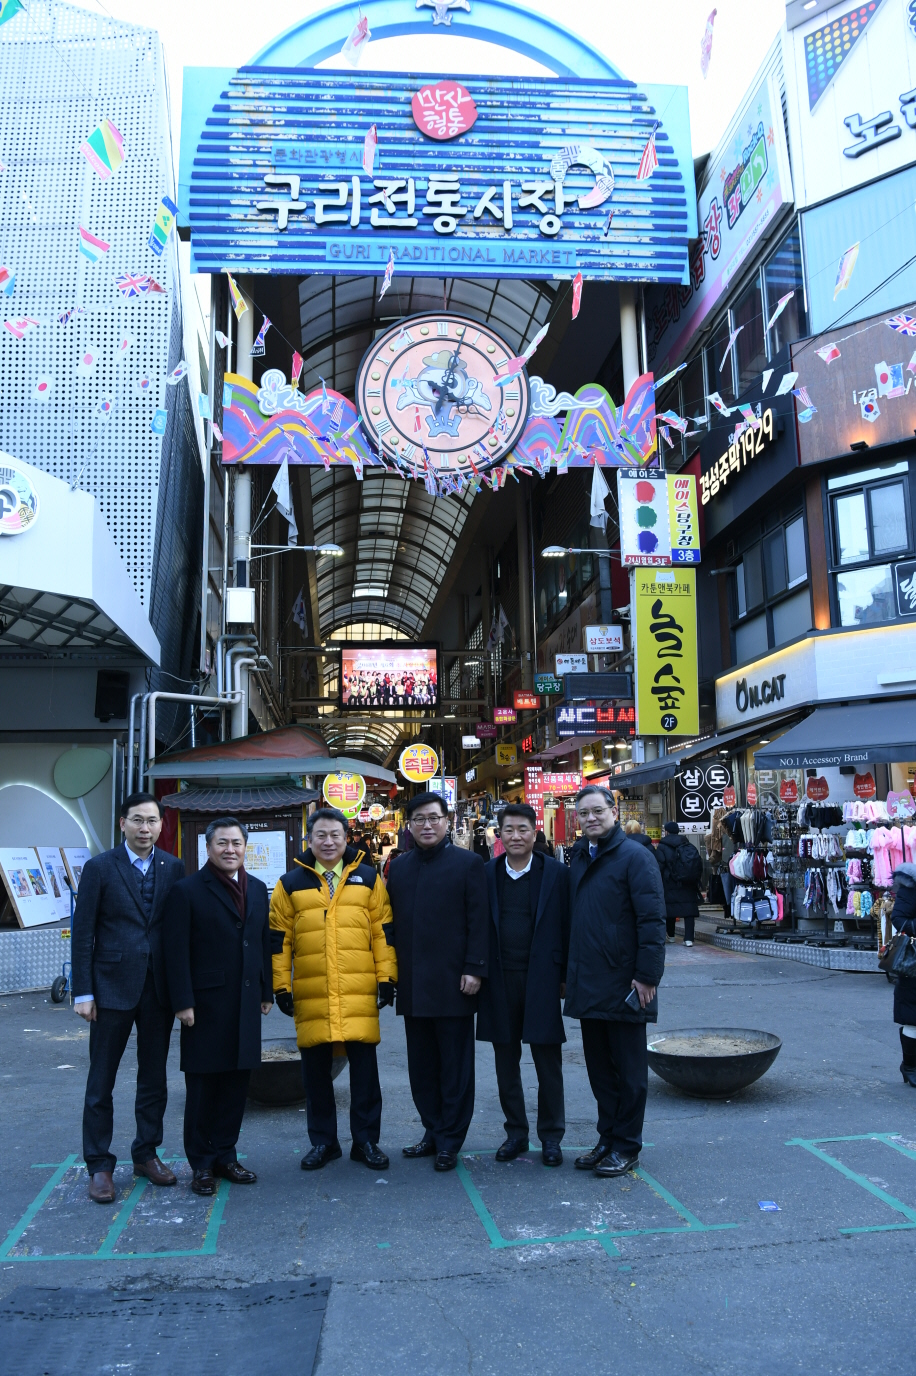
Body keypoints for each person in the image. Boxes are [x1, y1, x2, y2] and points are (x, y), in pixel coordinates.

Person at [71, 792, 185, 1204]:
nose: (145, 828)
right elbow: (83, 933)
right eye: (137, 820)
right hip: (109, 989)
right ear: (122, 824)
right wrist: (83, 992)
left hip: (158, 989)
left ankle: (146, 1153)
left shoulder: (173, 867)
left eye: (152, 821)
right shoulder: (100, 868)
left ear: (160, 826)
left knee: (154, 1078)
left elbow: (176, 928)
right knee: (101, 1080)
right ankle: (99, 1164)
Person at [270, 807, 397, 1171]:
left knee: (365, 1076)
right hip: (313, 995)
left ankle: (366, 1142)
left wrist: (387, 979)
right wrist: (281, 985)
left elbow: (382, 933)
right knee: (316, 1076)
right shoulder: (290, 883)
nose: (328, 842)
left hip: (359, 993)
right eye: (320, 836)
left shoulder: (369, 879)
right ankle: (324, 1143)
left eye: (335, 835)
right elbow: (279, 942)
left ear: (346, 838)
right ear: (308, 839)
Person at [165, 817, 273, 1197]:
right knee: (203, 1087)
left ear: (246, 848)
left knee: (235, 1083)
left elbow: (262, 943)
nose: (230, 849)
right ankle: (201, 1164)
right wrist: (182, 1002)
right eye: (222, 843)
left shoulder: (258, 889)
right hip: (204, 1005)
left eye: (237, 843)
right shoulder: (187, 890)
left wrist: (266, 991)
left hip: (245, 1002)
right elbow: (174, 952)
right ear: (207, 848)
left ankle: (226, 1155)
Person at [564, 785, 666, 1177]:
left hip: (626, 981)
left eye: (597, 812)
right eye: (584, 813)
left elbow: (652, 921)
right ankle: (606, 1138)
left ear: (614, 812)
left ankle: (627, 1145)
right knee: (600, 1070)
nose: (591, 819)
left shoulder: (635, 858)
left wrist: (646, 974)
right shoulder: (580, 857)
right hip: (589, 980)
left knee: (629, 1073)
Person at [386, 790, 488, 1171]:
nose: (426, 825)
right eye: (419, 820)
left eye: (433, 818)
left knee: (455, 1066)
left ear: (447, 822)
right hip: (413, 982)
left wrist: (475, 967)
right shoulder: (400, 866)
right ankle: (432, 1130)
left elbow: (479, 921)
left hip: (455, 982)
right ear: (409, 826)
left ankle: (450, 1139)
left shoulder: (468, 863)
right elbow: (390, 924)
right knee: (422, 1065)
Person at [477, 803, 569, 1166]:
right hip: (499, 980)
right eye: (509, 830)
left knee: (548, 1061)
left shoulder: (557, 874)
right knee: (505, 1062)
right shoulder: (486, 874)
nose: (515, 836)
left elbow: (568, 923)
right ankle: (516, 1133)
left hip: (542, 979)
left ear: (535, 832)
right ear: (499, 834)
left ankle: (551, 1136)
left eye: (523, 829)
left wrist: (564, 976)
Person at [889, 863, 916, 1087]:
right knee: (913, 1018)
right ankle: (910, 1067)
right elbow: (898, 919)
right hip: (914, 963)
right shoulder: (911, 884)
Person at [656, 821, 703, 947]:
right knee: (688, 910)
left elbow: (659, 866)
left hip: (670, 882)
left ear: (666, 831)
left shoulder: (663, 846)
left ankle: (671, 936)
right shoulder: (687, 844)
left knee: (670, 909)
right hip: (688, 882)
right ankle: (688, 939)